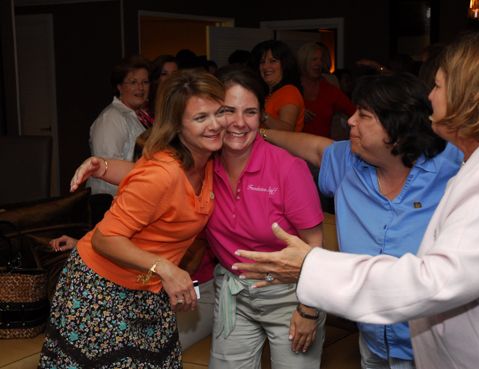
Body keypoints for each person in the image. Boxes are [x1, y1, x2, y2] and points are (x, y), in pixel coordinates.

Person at [233, 31, 479, 369]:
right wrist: (258, 130)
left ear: (467, 96)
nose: (430, 96)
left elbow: (436, 281)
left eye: (439, 86)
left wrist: (311, 267)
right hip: (385, 345)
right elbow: (314, 148)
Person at [69, 65, 326, 369]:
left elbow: (316, 249)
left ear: (262, 116)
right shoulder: (208, 159)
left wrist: (310, 310)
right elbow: (159, 176)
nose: (237, 123)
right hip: (232, 293)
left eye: (251, 112)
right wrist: (104, 166)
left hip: (287, 295)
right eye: (228, 110)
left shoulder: (285, 169)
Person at [249, 72, 462, 369]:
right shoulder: (347, 162)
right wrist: (257, 132)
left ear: (397, 128)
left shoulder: (452, 166)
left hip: (434, 349)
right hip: (372, 343)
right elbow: (315, 148)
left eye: (363, 115)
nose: (350, 121)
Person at [39, 69, 227, 368]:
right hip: (100, 289)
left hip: (146, 288)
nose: (216, 125)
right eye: (201, 118)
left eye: (220, 113)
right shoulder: (163, 172)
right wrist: (165, 268)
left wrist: (104, 167)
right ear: (178, 126)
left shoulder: (203, 160)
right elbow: (105, 237)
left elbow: (153, 182)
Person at [87, 55, 151, 196]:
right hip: (110, 201)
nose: (140, 88)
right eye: (133, 82)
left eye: (145, 82)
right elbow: (107, 170)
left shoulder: (140, 115)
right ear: (120, 87)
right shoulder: (111, 119)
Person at [297, 41, 355, 138]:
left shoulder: (329, 89)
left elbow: (353, 111)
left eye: (321, 60)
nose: (319, 63)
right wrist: (296, 113)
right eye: (314, 59)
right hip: (292, 148)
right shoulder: (292, 87)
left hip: (322, 149)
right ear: (304, 61)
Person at [249, 39, 305, 132]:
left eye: (272, 61)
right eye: (262, 62)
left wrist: (262, 115)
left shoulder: (289, 91)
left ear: (285, 64)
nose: (266, 67)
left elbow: (287, 130)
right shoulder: (267, 93)